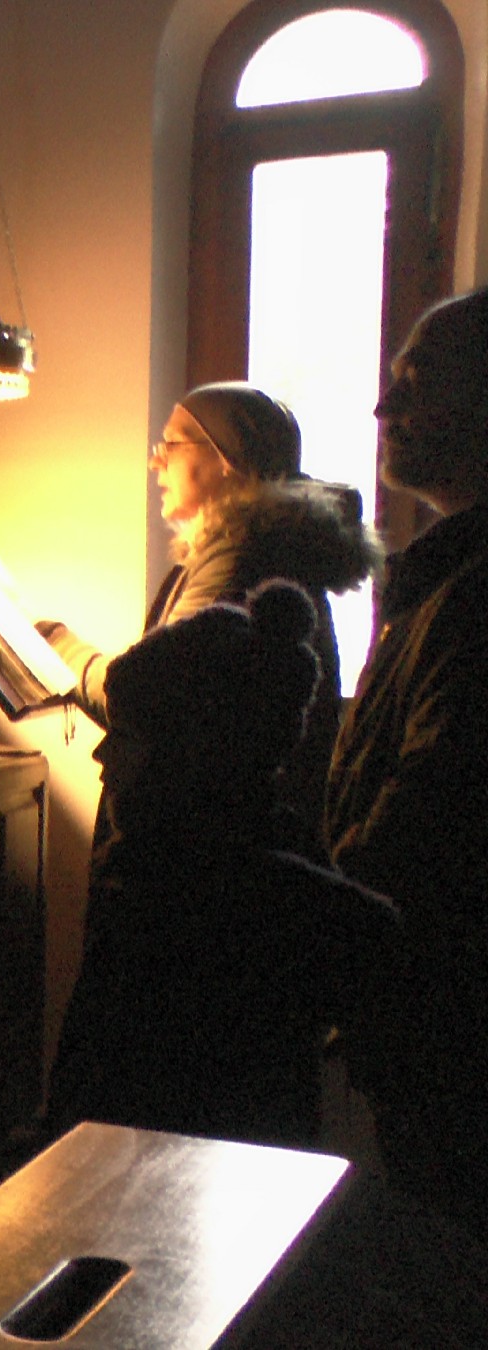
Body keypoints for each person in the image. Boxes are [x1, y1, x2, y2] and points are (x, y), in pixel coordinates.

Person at [47, 581, 399, 1147]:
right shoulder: (277, 868)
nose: (102, 752)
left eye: (128, 735)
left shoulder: (166, 887)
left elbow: (88, 1082)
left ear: (189, 753)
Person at [324, 288, 488, 1239]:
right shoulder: (445, 573)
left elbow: (433, 809)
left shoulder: (474, 593)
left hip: (451, 1011)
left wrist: (327, 912)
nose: (385, 408)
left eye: (416, 383)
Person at [38, 383, 378, 841]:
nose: (156, 461)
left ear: (226, 459)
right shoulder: (259, 545)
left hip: (204, 845)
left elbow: (151, 697)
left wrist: (61, 649)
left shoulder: (240, 557)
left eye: (171, 444)